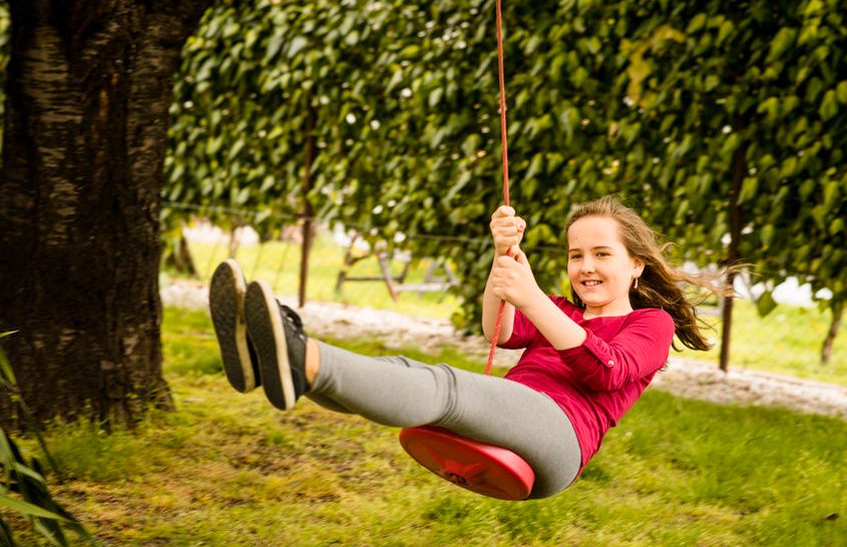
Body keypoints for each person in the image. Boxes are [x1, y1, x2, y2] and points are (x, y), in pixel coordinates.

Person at [208, 196, 711, 499]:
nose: (586, 267)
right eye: (576, 254)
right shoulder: (562, 308)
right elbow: (500, 330)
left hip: (560, 440)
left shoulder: (650, 323)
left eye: (603, 254)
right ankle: (272, 361)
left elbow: (605, 371)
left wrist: (534, 297)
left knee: (442, 386)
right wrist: (503, 259)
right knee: (411, 383)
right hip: (520, 417)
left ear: (637, 265)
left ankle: (295, 352)